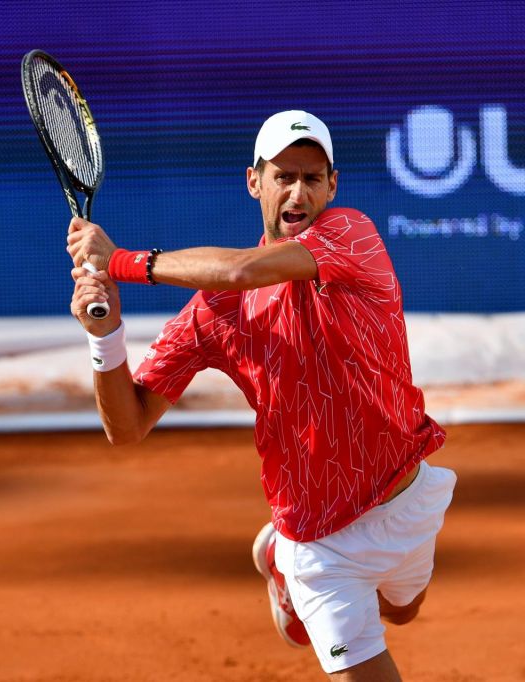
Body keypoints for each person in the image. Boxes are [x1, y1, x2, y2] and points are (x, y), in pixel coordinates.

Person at [65, 110, 456, 681]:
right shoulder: (213, 313)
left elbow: (245, 271)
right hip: (319, 543)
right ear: (255, 182)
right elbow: (128, 425)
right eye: (283, 176)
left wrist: (120, 263)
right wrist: (106, 339)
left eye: (313, 178)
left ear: (332, 186)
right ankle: (288, 565)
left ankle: (279, 566)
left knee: (403, 611)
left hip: (406, 496)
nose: (299, 192)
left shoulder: (351, 233)